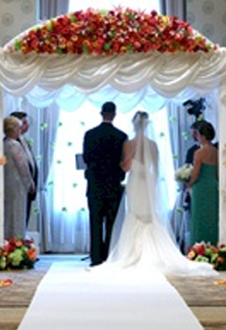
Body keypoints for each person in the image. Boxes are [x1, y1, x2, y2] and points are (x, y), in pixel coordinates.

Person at [92, 111, 215, 277]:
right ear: (147, 125)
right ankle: (153, 251)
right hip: (147, 183)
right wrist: (153, 186)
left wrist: (129, 159)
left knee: (135, 214)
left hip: (135, 183)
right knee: (148, 215)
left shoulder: (129, 144)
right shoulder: (153, 145)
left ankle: (132, 253)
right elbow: (156, 170)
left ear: (134, 125)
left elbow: (125, 167)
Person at [82, 102, 127, 266]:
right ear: (114, 114)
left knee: (95, 220)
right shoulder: (121, 136)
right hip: (114, 184)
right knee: (111, 221)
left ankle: (95, 257)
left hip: (95, 182)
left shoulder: (90, 134)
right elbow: (123, 160)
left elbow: (86, 158)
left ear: (101, 113)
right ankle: (109, 254)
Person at [187, 120, 219, 245]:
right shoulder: (216, 151)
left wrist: (188, 184)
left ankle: (198, 246)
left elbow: (195, 174)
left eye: (198, 134)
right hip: (213, 186)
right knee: (212, 218)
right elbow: (217, 174)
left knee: (199, 218)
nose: (197, 137)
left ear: (203, 136)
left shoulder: (199, 153)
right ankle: (213, 246)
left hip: (201, 188)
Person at [3, 116, 35, 239]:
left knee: (8, 214)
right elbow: (22, 166)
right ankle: (18, 241)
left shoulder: (3, 143)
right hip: (18, 183)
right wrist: (29, 183)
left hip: (7, 183)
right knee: (18, 214)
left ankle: (8, 240)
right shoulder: (15, 145)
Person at [10, 111, 38, 226]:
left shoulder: (24, 140)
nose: (27, 125)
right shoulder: (12, 143)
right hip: (18, 188)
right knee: (17, 222)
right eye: (24, 123)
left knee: (24, 220)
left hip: (27, 188)